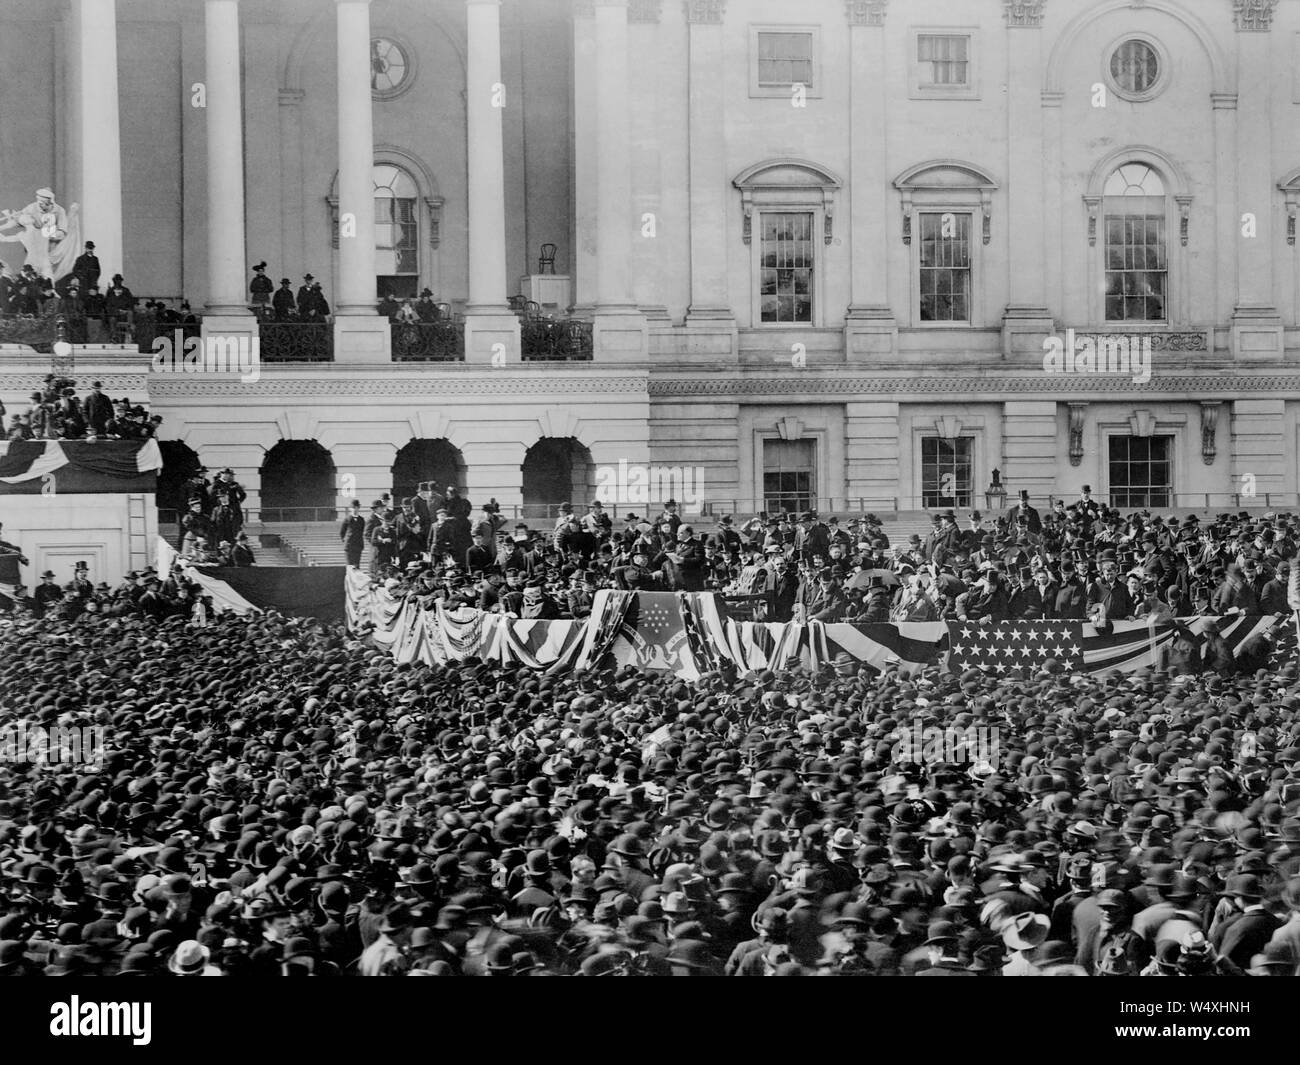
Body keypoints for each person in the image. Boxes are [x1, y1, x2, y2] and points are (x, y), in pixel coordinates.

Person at [341, 501, 367, 567]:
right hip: (349, 546)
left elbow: (361, 531)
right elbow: (342, 532)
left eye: (356, 507)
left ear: (358, 508)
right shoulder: (347, 519)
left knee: (357, 566)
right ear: (350, 509)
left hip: (358, 546)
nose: (355, 509)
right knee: (349, 566)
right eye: (353, 508)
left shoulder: (361, 519)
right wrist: (346, 541)